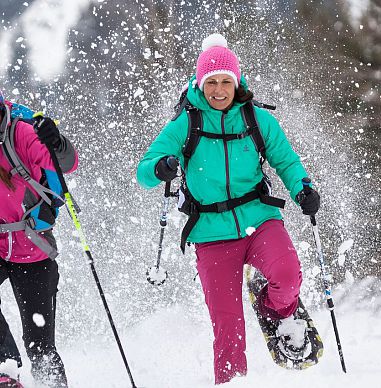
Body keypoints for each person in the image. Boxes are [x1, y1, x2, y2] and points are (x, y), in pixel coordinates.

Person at [137, 34, 320, 385]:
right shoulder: (186, 123)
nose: (219, 90)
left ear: (236, 84)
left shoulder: (257, 119)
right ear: (200, 83)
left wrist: (303, 189)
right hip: (210, 231)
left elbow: (286, 161)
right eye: (211, 82)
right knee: (228, 329)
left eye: (225, 82)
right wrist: (160, 168)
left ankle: (274, 309)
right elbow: (144, 170)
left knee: (287, 275)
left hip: (259, 217)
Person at [0, 92, 78, 387]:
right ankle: (5, 367)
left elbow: (66, 163)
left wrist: (56, 142)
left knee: (40, 345)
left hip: (32, 245)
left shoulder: (20, 132)